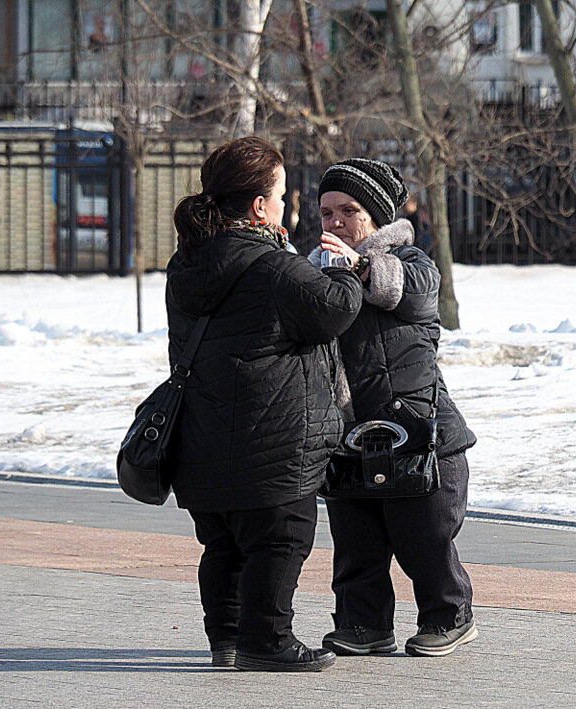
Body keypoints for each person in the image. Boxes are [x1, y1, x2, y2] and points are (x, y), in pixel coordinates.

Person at [166, 137, 364, 672]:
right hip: (270, 440)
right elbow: (334, 308)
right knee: (281, 539)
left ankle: (226, 639)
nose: (287, 204)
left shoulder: (189, 262)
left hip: (202, 438)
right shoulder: (272, 265)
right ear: (259, 205)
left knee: (223, 545)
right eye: (281, 195)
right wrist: (346, 269)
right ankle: (267, 641)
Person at [310, 158, 478, 658]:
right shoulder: (316, 273)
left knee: (423, 537)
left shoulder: (411, 261)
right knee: (356, 542)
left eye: (348, 210)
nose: (334, 222)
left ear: (377, 216)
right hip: (350, 435)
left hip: (421, 435)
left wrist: (358, 266)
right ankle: (363, 624)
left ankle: (449, 616)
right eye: (325, 212)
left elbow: (416, 295)